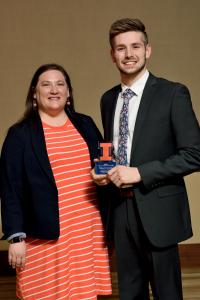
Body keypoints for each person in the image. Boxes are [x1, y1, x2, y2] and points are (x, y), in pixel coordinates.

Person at [91, 18, 200, 299]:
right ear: (112, 54)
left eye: (135, 46)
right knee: (129, 293)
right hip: (120, 212)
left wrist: (139, 173)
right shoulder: (108, 99)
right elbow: (116, 148)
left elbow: (195, 154)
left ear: (148, 50)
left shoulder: (172, 93)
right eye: (121, 48)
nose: (129, 54)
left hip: (158, 211)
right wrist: (104, 171)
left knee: (167, 294)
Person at [0, 63, 112, 299]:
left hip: (86, 229)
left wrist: (106, 176)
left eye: (60, 84)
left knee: (83, 293)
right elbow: (10, 189)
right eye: (46, 84)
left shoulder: (86, 124)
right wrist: (16, 236)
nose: (54, 90)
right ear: (34, 93)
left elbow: (104, 159)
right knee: (43, 293)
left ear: (69, 92)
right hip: (44, 235)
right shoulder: (19, 134)